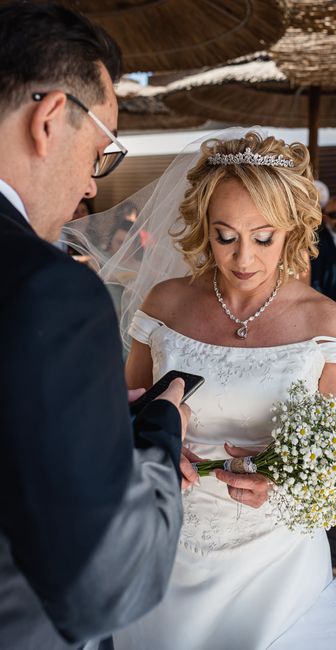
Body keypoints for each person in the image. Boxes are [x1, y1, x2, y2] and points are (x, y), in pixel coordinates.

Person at [70, 128, 336, 649]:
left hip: (275, 559)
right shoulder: (164, 304)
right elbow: (127, 413)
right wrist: (156, 443)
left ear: (291, 230)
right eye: (224, 235)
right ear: (203, 229)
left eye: (264, 237)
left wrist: (283, 483)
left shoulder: (323, 321)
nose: (243, 258)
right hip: (168, 542)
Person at [0, 4, 189, 649]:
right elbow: (113, 581)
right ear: (50, 119)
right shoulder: (45, 289)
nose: (89, 188)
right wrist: (159, 434)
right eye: (101, 152)